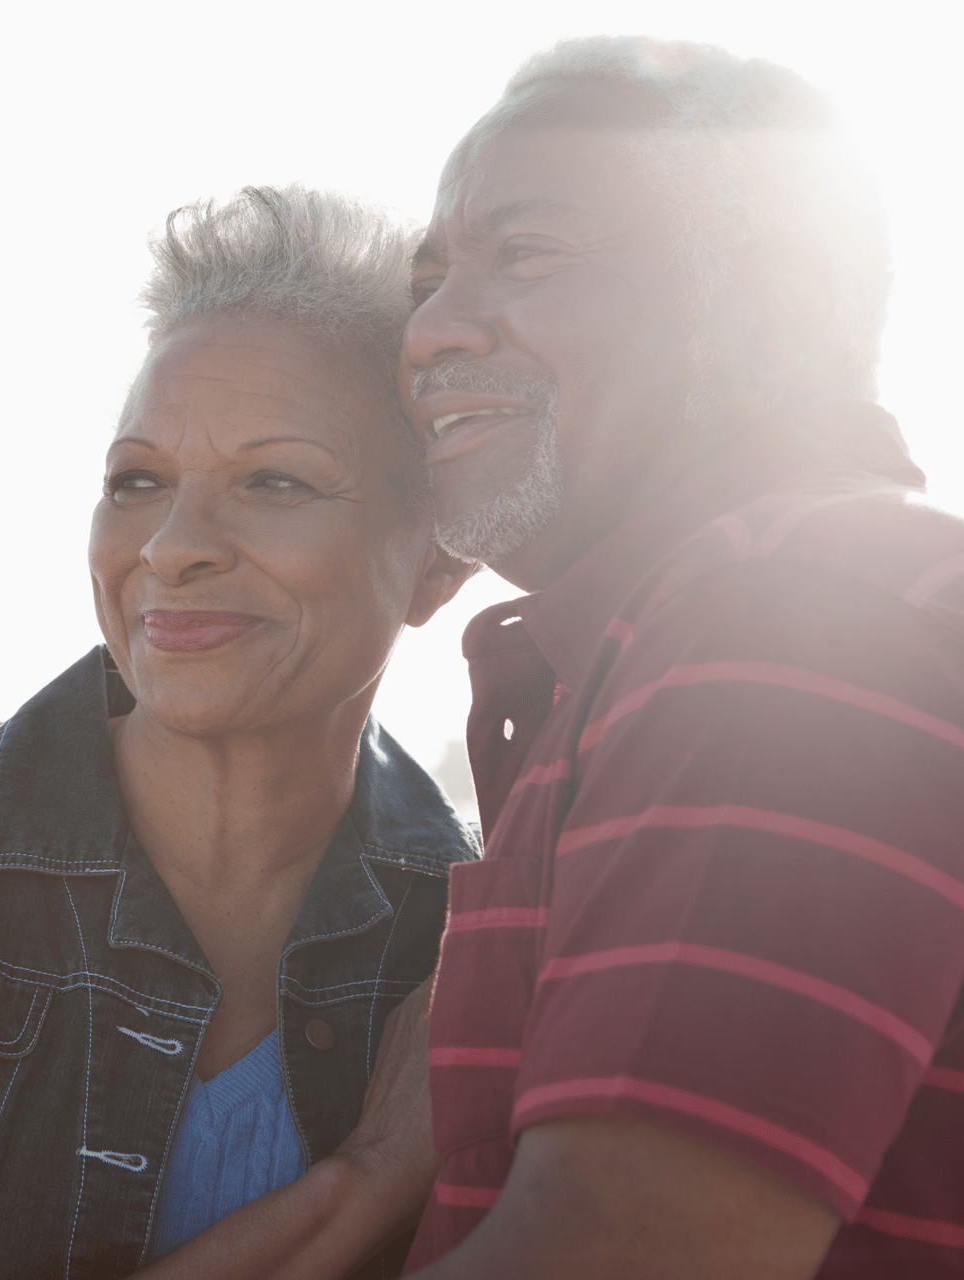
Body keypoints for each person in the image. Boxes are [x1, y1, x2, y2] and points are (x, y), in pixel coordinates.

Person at [0, 186, 477, 1277]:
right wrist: (373, 1175)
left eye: (275, 478)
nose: (171, 545)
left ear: (438, 554)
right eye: (137, 479)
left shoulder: (473, 941)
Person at [389, 37, 963, 1278]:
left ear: (779, 307)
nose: (427, 332)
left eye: (523, 254)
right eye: (426, 282)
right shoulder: (690, 628)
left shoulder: (794, 610)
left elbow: (621, 1254)